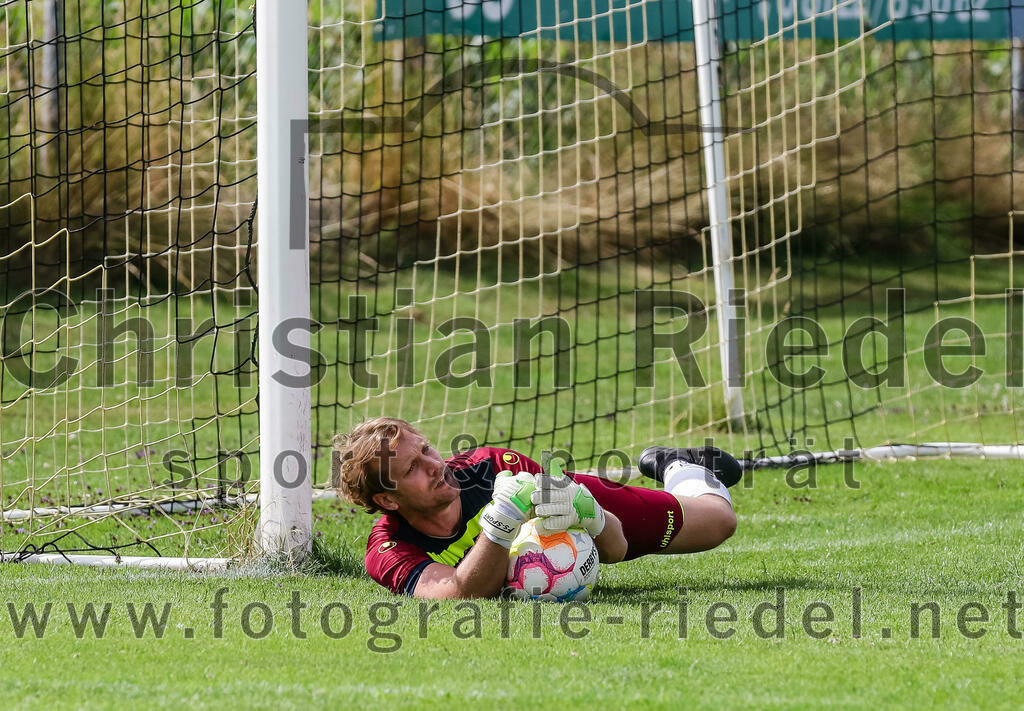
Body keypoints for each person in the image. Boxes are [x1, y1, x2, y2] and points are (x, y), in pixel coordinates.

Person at [332, 416, 741, 599]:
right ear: (387, 499)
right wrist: (503, 520)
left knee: (719, 521)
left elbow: (614, 551)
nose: (435, 464)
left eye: (426, 448)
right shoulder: (388, 551)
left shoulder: (494, 468)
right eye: (413, 468)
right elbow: (459, 594)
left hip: (576, 503)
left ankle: (676, 465)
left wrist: (593, 516)